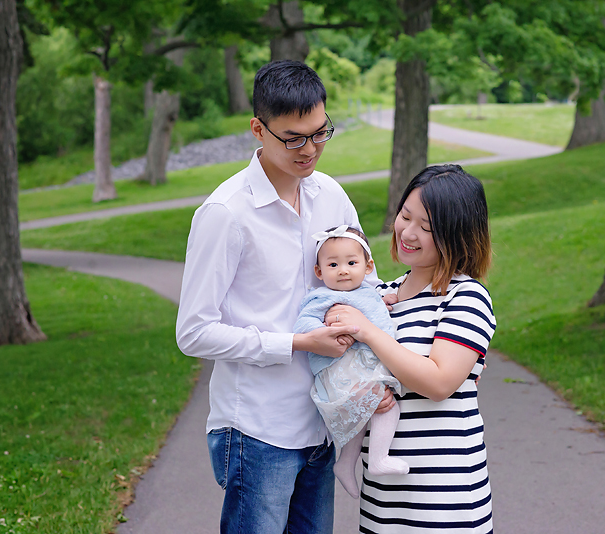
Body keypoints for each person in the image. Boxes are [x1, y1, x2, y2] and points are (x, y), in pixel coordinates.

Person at [175, 60, 393, 534]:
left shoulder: (331, 195)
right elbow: (193, 333)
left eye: (319, 133)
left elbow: (364, 282)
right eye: (293, 138)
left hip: (323, 420)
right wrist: (298, 343)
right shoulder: (225, 214)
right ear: (258, 129)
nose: (310, 149)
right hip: (258, 427)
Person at [326, 164, 496, 533]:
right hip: (384, 499)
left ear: (457, 235)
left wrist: (369, 332)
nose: (408, 232)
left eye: (427, 227)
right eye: (405, 215)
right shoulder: (379, 296)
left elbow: (439, 383)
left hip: (444, 498)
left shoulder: (465, 297)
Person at [294, 225, 408, 500]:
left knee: (365, 414)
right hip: (342, 368)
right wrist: (323, 330)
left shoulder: (368, 294)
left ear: (368, 267)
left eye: (351, 263)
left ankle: (345, 463)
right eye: (333, 264)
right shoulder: (323, 297)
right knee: (386, 406)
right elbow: (303, 322)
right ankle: (379, 458)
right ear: (319, 272)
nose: (343, 270)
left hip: (362, 365)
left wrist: (384, 301)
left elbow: (372, 309)